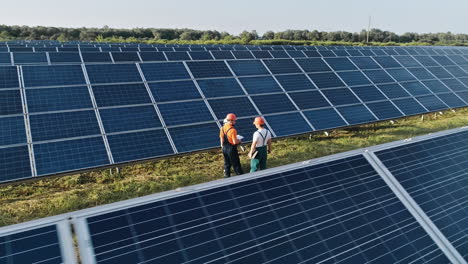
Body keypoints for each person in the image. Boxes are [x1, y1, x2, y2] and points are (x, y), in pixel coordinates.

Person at [219, 113, 243, 178]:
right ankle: (239, 175)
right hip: (231, 148)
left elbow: (221, 138)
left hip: (224, 147)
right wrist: (239, 141)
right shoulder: (233, 130)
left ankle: (227, 175)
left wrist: (222, 146)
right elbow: (235, 142)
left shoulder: (222, 128)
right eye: (234, 120)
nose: (235, 122)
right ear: (230, 121)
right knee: (236, 162)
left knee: (227, 162)